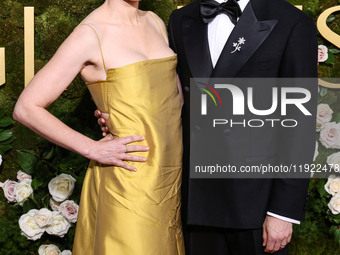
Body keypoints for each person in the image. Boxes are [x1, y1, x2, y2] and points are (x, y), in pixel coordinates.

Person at [97, 0, 318, 254]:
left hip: (256, 205)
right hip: (197, 200)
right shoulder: (181, 19)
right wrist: (117, 109)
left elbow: (299, 126)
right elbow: (171, 97)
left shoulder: (291, 21)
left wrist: (282, 211)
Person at [13, 0, 185, 254]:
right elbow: (26, 108)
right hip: (128, 179)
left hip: (170, 176)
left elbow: (174, 99)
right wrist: (91, 148)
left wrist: (120, 106)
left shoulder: (155, 22)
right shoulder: (90, 34)